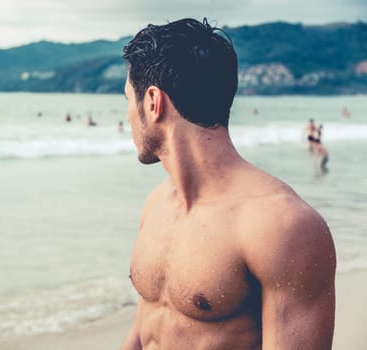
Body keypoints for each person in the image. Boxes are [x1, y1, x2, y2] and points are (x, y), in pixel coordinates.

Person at [121, 18, 336, 350]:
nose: (127, 117)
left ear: (152, 102)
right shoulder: (156, 205)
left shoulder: (283, 226)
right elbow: (142, 331)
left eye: (126, 101)